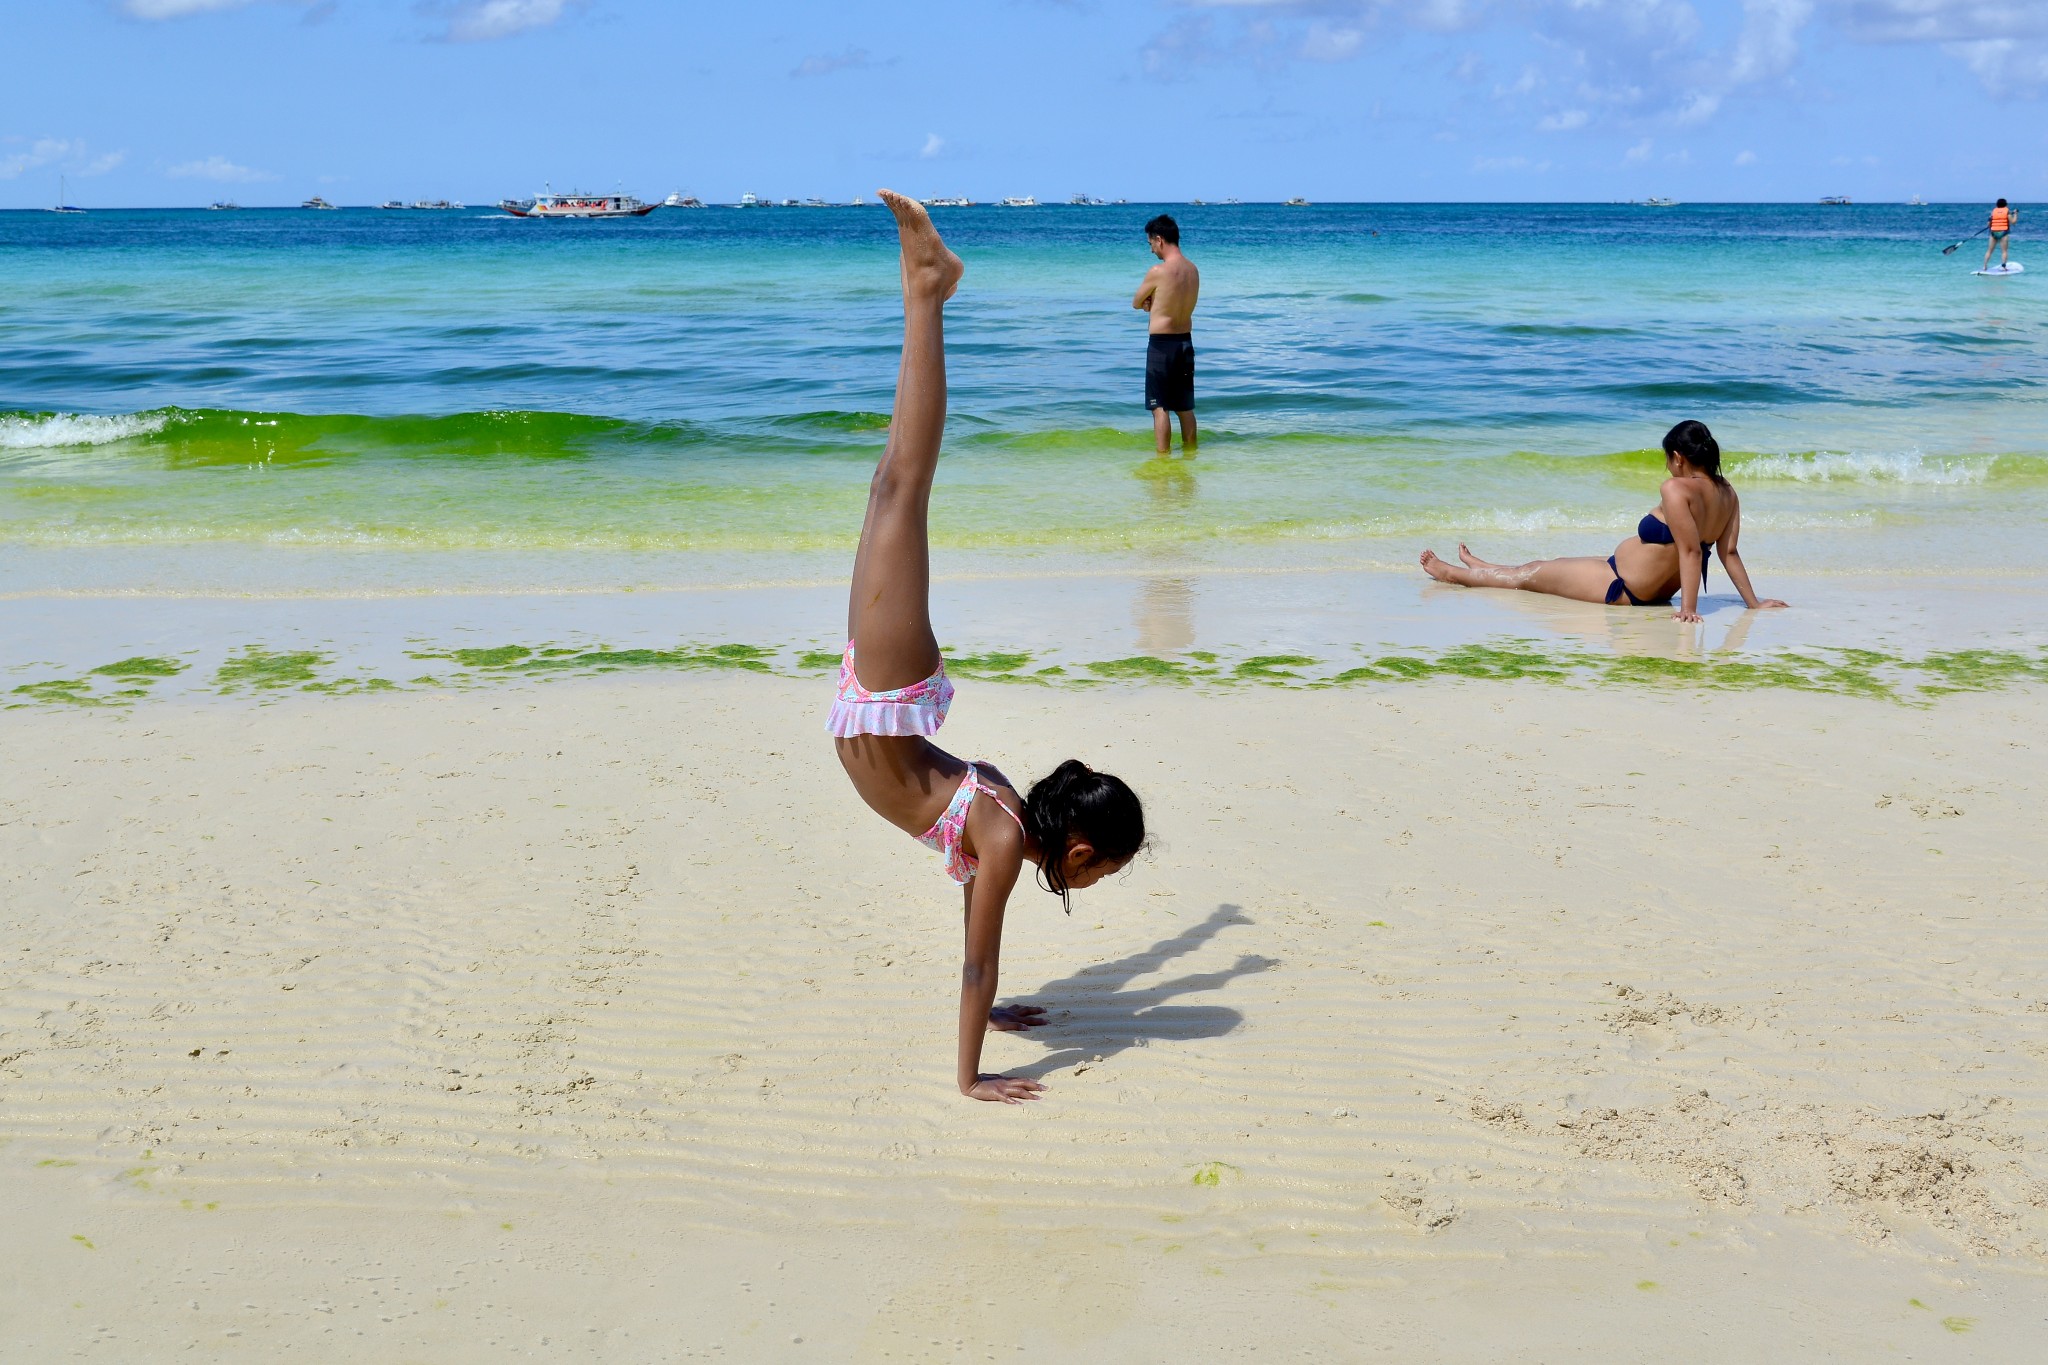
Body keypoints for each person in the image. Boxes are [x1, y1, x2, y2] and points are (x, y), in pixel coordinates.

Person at [832, 190, 1148, 1105]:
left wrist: (1004, 1010)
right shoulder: (1008, 838)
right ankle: (928, 290)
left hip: (877, 697)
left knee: (895, 483)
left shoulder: (1008, 815)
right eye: (1110, 869)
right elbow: (978, 962)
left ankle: (927, 290)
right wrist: (971, 1077)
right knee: (904, 483)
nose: (1099, 884)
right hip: (881, 699)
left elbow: (980, 945)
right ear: (1079, 847)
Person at [1417, 420, 1789, 623]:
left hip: (1623, 588)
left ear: (1678, 457)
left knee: (1527, 577)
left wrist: (1687, 609)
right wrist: (1752, 603)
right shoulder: (1727, 493)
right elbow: (1729, 554)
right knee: (1537, 567)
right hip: (1628, 577)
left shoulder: (1677, 489)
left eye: (1667, 459)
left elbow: (1691, 552)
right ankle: (1483, 566)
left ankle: (1452, 575)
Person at [1132, 214, 1200, 454]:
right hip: (1185, 343)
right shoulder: (1193, 270)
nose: (1152, 251)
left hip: (1162, 345)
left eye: (1151, 244)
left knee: (1159, 406)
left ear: (1159, 240)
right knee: (1184, 407)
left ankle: (1162, 463)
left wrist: (1150, 302)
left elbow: (1136, 302)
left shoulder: (1158, 271)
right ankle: (1191, 458)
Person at [1983, 198, 2018, 271]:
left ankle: (1984, 266)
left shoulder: (1993, 211)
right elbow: (2013, 222)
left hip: (1993, 232)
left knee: (1989, 251)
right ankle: (2003, 266)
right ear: (2006, 204)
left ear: (1997, 204)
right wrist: (2015, 214)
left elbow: (1988, 224)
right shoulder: (2007, 211)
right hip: (2003, 232)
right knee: (2004, 251)